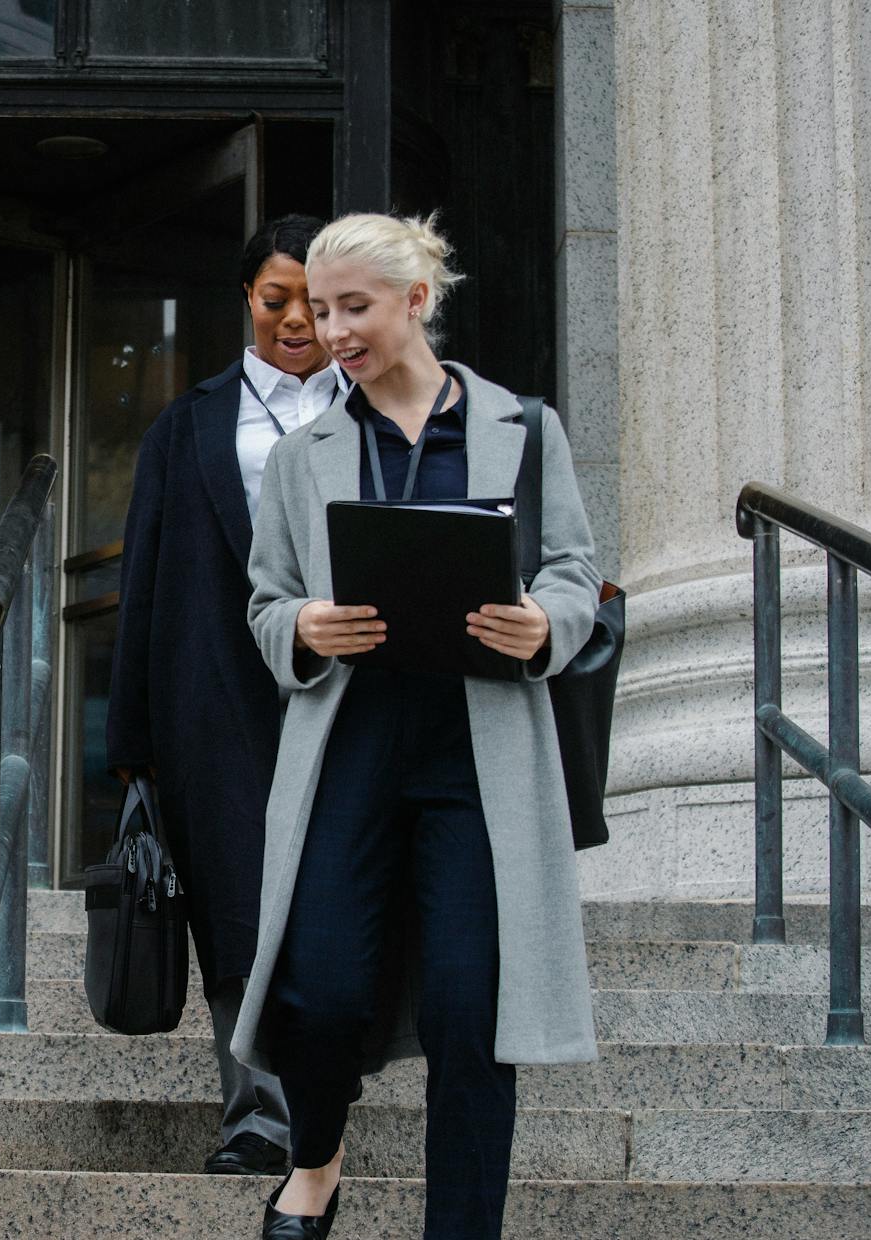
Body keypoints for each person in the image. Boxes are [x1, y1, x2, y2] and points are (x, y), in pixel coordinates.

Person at [232, 212, 599, 1240]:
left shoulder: (526, 427)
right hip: (349, 750)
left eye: (354, 307)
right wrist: (303, 625)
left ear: (416, 302)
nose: (332, 329)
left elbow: (575, 573)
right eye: (319, 307)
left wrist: (545, 624)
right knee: (322, 990)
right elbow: (267, 600)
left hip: (476, 760)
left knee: (468, 1014)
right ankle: (314, 1159)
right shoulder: (302, 457)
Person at [106, 214, 346, 1178]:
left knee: (333, 896)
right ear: (246, 298)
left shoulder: (376, 408)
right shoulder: (191, 423)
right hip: (215, 695)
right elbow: (147, 577)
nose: (296, 320)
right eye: (275, 298)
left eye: (316, 302)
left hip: (345, 687)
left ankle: (326, 1086)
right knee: (238, 906)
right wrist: (133, 741)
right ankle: (257, 1114)